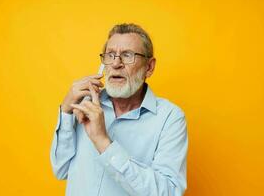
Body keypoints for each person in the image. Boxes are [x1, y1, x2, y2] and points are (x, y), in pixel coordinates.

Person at [50, 23, 188, 196]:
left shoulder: (170, 118)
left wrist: (103, 142)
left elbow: (168, 192)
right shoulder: (85, 104)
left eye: (127, 55)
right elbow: (60, 169)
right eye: (110, 55)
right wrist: (66, 111)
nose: (116, 63)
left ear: (149, 67)